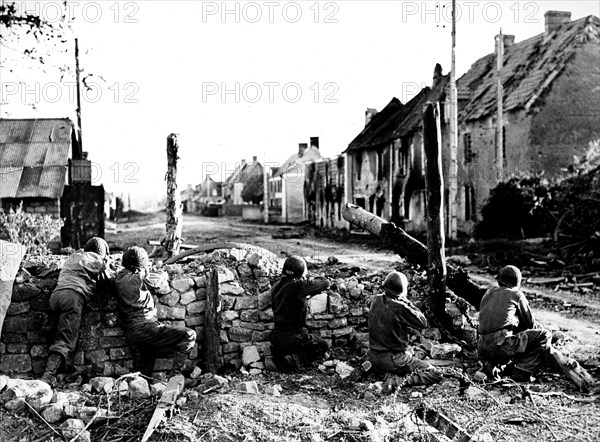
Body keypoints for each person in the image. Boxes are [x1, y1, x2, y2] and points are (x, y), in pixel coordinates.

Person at [114, 246, 196, 380]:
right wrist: (160, 271)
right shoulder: (139, 278)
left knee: (142, 377)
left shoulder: (118, 278)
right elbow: (156, 281)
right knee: (189, 335)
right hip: (145, 327)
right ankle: (175, 376)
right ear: (138, 267)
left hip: (132, 332)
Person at [42, 237, 114, 386]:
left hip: (56, 295)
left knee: (59, 332)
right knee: (65, 339)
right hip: (72, 297)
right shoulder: (95, 258)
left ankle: (65, 370)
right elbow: (108, 280)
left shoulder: (74, 256)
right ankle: (47, 375)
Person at [478, 265, 552, 382]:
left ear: (500, 280)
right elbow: (529, 324)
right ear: (516, 283)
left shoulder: (488, 293)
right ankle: (522, 371)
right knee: (545, 335)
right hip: (501, 346)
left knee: (509, 337)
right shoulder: (516, 294)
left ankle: (494, 366)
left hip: (482, 347)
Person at [368, 271, 442, 386]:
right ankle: (396, 381)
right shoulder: (400, 306)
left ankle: (381, 371)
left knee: (408, 353)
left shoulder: (376, 300)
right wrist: (405, 300)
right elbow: (423, 322)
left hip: (373, 355)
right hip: (392, 359)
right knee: (435, 373)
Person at [270, 255, 330, 371]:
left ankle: (281, 358)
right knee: (323, 345)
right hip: (295, 337)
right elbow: (325, 283)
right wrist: (309, 277)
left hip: (277, 337)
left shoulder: (277, 286)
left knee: (289, 345)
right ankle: (296, 359)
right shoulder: (299, 285)